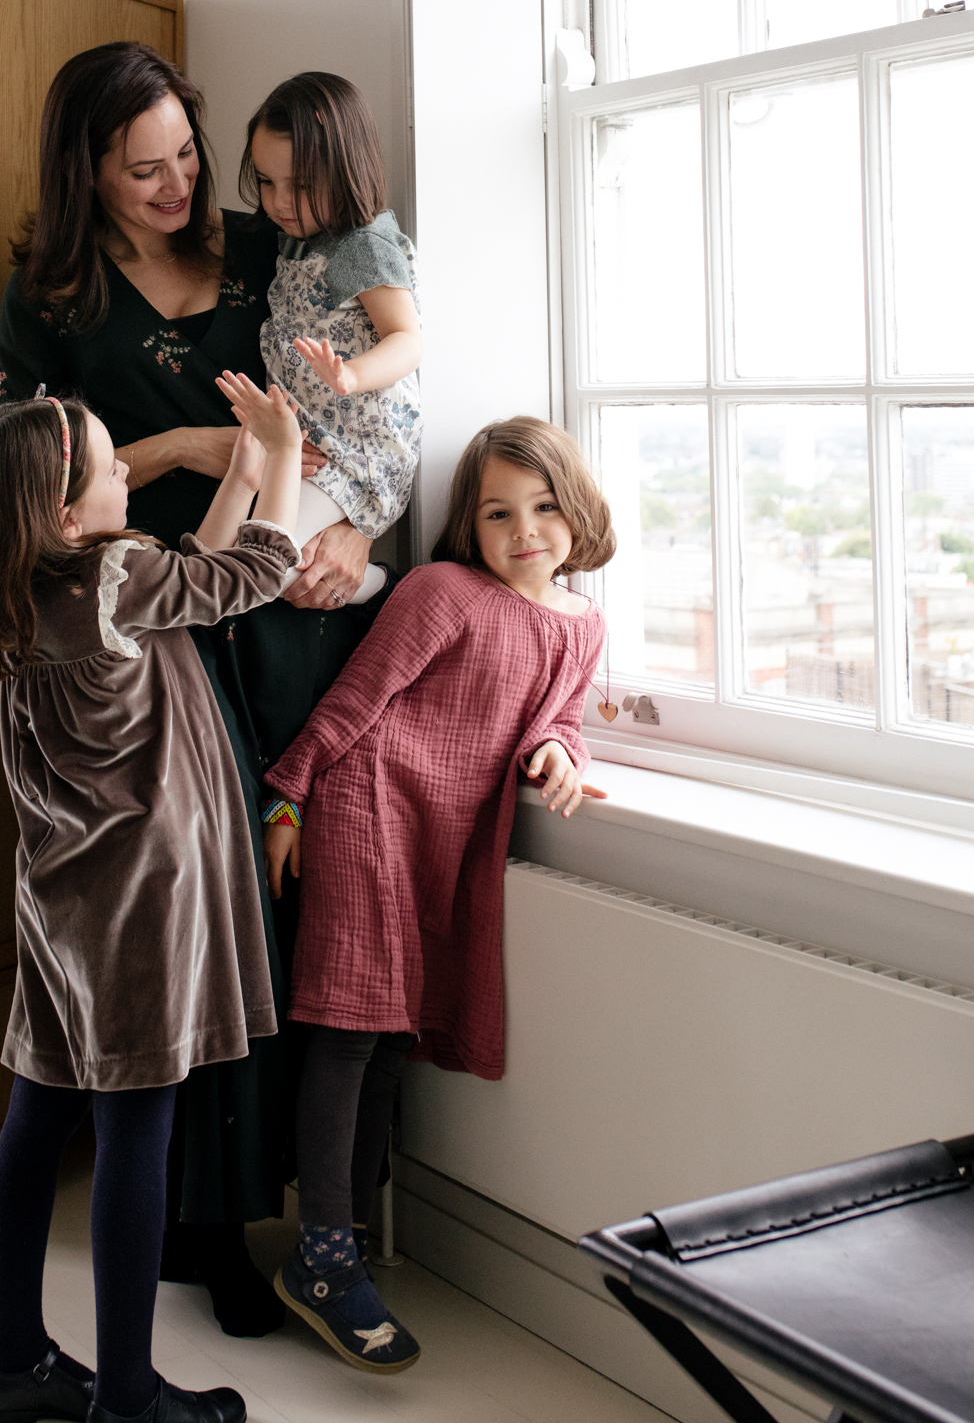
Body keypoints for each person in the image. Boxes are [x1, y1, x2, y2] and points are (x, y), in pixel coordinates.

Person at [0, 43, 397, 1336]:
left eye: (185, 156)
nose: (178, 186)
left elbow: (366, 406)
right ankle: (196, 1230)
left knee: (292, 920)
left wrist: (362, 534)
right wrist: (173, 448)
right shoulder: (50, 294)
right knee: (182, 925)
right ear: (87, 173)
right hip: (146, 645)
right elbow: (17, 485)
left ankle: (309, 1218)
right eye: (143, 167)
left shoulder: (273, 238)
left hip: (290, 617)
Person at [0, 374, 304, 1423]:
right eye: (112, 468)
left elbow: (193, 576)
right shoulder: (113, 571)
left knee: (38, 1118)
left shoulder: (20, 585)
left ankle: (11, 1360)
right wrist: (278, 452)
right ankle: (129, 1396)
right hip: (144, 897)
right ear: (62, 511)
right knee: (137, 1132)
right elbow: (254, 574)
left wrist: (231, 479)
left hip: (62, 894)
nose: (128, 474)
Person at [258, 417, 616, 1374]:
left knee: (389, 1044)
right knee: (347, 1031)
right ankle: (324, 1257)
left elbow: (561, 718)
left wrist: (556, 753)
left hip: (448, 840)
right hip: (368, 807)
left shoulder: (582, 621)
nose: (524, 530)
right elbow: (354, 699)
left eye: (543, 507)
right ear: (469, 523)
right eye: (498, 512)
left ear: (578, 512)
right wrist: (288, 798)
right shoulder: (442, 590)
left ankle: (343, 1235)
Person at [238, 72, 421, 605]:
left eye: (299, 185)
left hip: (357, 450)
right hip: (311, 444)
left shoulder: (362, 246)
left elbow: (407, 339)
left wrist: (352, 374)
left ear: (345, 169)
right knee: (263, 563)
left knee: (264, 563)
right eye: (267, 182)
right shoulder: (297, 241)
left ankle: (386, 587)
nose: (278, 202)